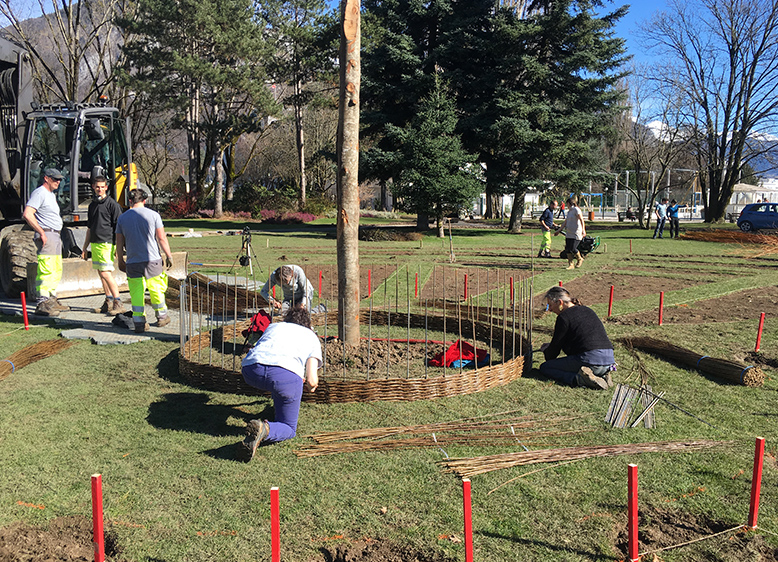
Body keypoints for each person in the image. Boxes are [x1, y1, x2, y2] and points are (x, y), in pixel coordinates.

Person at [238, 305, 322, 461]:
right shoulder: (311, 337)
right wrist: (307, 386)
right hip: (285, 377)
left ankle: (276, 410)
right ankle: (265, 429)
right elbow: (311, 380)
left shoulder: (274, 327)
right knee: (289, 428)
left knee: (276, 382)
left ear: (286, 319)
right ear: (308, 324)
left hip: (251, 370)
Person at [115, 189, 174, 333]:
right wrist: (169, 255)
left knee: (136, 292)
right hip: (152, 260)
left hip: (133, 261)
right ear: (145, 201)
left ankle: (139, 322)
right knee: (156, 289)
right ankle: (162, 317)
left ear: (130, 201)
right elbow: (161, 238)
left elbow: (119, 242)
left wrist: (120, 260)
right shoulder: (154, 215)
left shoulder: (122, 218)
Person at [538, 286, 615, 390]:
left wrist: (547, 350)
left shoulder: (564, 317)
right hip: (609, 360)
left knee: (546, 367)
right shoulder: (587, 310)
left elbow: (552, 354)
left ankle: (579, 379)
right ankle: (602, 374)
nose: (550, 309)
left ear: (560, 303)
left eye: (550, 305)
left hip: (591, 361)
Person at [22, 167, 69, 317]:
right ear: (46, 178)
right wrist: (41, 232)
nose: (58, 182)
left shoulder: (51, 195)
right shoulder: (39, 193)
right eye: (55, 179)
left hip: (55, 235)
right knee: (46, 268)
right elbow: (28, 214)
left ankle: (51, 299)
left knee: (56, 269)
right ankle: (42, 303)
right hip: (47, 234)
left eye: (60, 179)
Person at [81, 171, 125, 315]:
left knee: (106, 273)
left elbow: (119, 227)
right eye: (97, 187)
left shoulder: (112, 205)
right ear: (93, 187)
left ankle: (118, 302)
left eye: (102, 187)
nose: (99, 189)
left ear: (106, 187)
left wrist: (118, 248)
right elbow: (89, 228)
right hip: (95, 243)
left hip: (107, 243)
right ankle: (108, 300)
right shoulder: (92, 205)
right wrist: (84, 247)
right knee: (101, 273)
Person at [555, 195, 585, 269]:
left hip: (576, 233)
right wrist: (559, 230)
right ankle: (571, 264)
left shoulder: (576, 210)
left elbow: (581, 220)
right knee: (568, 249)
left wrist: (583, 230)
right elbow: (565, 222)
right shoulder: (569, 212)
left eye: (567, 204)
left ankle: (580, 259)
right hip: (569, 233)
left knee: (573, 248)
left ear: (569, 203)